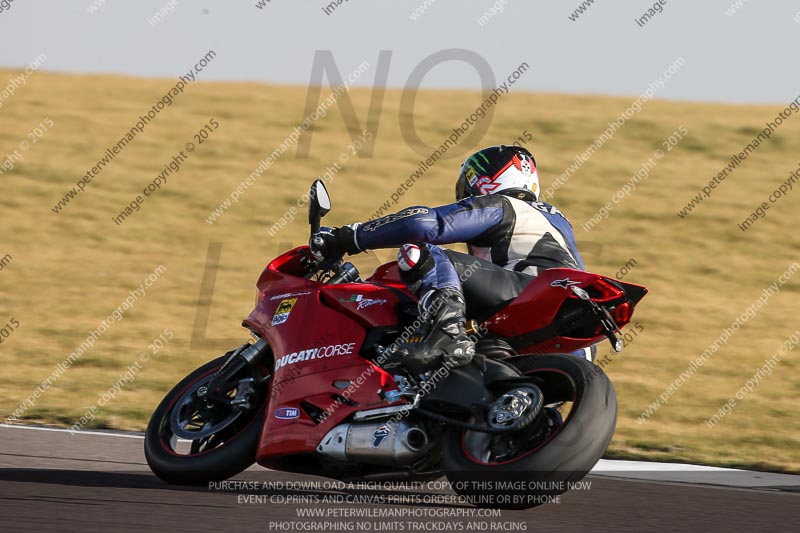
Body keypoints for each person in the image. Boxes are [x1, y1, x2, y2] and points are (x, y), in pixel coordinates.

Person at [309, 145, 586, 373]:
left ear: (482, 180)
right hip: (573, 334)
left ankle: (447, 334)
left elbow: (424, 224)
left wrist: (349, 236)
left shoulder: (503, 205)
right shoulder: (558, 222)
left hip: (529, 294)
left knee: (421, 252)